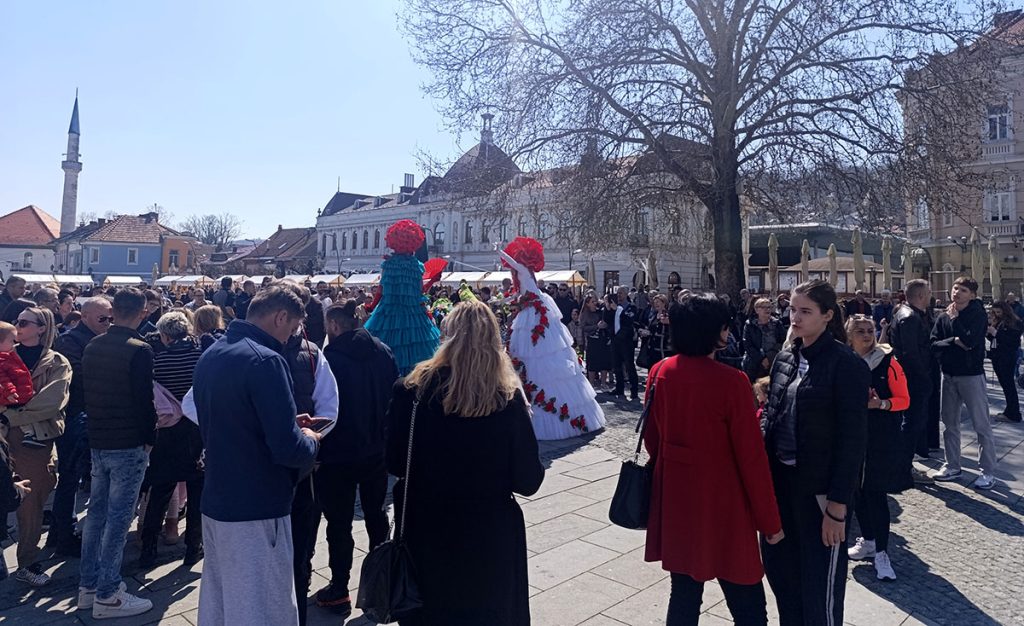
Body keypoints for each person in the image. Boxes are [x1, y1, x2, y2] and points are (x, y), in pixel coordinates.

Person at [385, 299, 545, 625]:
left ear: (446, 336)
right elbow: (529, 481)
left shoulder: (412, 392)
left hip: (426, 530)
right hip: (488, 536)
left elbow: (395, 463)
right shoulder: (506, 399)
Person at [644, 293, 783, 626]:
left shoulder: (659, 371)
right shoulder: (732, 382)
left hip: (676, 499)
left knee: (684, 595)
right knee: (748, 605)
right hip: (725, 504)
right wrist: (770, 522)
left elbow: (652, 439)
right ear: (714, 331)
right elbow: (751, 458)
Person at [193, 284, 322, 626]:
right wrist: (311, 440)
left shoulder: (213, 352)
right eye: (292, 328)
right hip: (258, 503)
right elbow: (288, 449)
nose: (291, 337)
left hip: (218, 499)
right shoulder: (266, 360)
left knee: (223, 602)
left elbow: (232, 418)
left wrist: (286, 423)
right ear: (280, 317)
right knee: (262, 607)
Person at [761, 280, 869, 626]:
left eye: (805, 311)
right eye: (793, 309)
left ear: (827, 315)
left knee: (819, 587)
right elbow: (772, 418)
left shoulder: (846, 364)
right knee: (783, 577)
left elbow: (853, 440)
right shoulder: (785, 357)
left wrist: (837, 506)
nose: (795, 317)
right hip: (782, 486)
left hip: (820, 492)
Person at [315, 300, 398, 619]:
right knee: (376, 514)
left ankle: (340, 589)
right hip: (375, 450)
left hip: (338, 454)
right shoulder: (383, 351)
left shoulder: (330, 359)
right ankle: (380, 583)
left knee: (339, 523)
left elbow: (323, 407)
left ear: (335, 326)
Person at [77, 289, 156, 618]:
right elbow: (144, 400)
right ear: (142, 313)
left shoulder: (93, 345)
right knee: (118, 518)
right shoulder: (139, 348)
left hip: (99, 438)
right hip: (127, 442)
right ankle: (108, 593)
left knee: (96, 514)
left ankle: (89, 585)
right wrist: (150, 438)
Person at [499, 238, 606, 437]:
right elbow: (519, 295)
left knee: (540, 351)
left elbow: (514, 265)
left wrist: (499, 251)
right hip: (528, 312)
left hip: (535, 314)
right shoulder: (523, 277)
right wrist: (503, 300)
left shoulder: (523, 270)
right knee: (527, 352)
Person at [4, 307, 70, 587]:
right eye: (16, 321)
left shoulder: (56, 362)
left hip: (34, 439)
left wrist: (10, 416)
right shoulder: (5, 353)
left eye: (24, 322)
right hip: (5, 436)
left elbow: (51, 402)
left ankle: (27, 562)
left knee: (31, 503)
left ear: (42, 328)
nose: (17, 326)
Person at [844, 315, 912, 581]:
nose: (866, 335)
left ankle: (882, 552)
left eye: (869, 330)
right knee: (857, 493)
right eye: (860, 331)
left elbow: (904, 400)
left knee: (876, 495)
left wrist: (881, 404)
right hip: (851, 436)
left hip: (880, 438)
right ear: (849, 335)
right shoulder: (845, 361)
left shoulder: (888, 362)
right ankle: (869, 540)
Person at [139, 311, 205, 569]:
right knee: (197, 490)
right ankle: (193, 548)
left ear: (165, 336)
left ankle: (148, 549)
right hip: (196, 429)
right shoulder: (200, 358)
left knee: (160, 491)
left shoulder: (159, 361)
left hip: (168, 431)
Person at [930, 277, 998, 489]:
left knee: (981, 424)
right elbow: (933, 343)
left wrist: (956, 323)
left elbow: (969, 342)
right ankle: (952, 466)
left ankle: (988, 472)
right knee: (949, 424)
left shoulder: (977, 315)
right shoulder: (943, 316)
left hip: (971, 375)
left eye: (963, 290)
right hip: (948, 374)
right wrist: (953, 341)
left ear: (972, 295)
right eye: (955, 288)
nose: (957, 292)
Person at [364, 220, 441, 374]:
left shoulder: (388, 265)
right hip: (414, 316)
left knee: (380, 349)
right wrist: (433, 280)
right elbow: (420, 291)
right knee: (418, 350)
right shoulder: (417, 266)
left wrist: (371, 306)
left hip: (388, 314)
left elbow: (381, 290)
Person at [887, 279, 935, 484]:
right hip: (913, 378)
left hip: (909, 376)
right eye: (929, 292)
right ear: (921, 295)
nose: (931, 296)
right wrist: (924, 376)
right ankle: (903, 468)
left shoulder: (906, 313)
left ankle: (903, 465)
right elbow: (910, 352)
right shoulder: (910, 317)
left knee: (912, 422)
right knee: (912, 423)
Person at [987, 301, 1022, 423]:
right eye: (995, 312)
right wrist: (990, 333)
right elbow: (994, 339)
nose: (997, 314)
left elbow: (1012, 341)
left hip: (1007, 356)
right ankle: (1010, 410)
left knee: (1008, 385)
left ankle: (1014, 413)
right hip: (997, 355)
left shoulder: (1014, 322)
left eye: (999, 312)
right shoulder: (998, 321)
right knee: (1006, 385)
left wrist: (995, 333)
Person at [741, 298, 786, 382]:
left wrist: (769, 357)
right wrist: (761, 359)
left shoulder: (777, 324)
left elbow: (783, 341)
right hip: (754, 364)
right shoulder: (750, 325)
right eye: (764, 307)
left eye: (769, 307)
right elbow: (747, 345)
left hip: (773, 362)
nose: (767, 309)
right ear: (756, 310)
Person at [610, 285, 641, 399]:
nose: (619, 295)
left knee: (629, 365)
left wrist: (618, 310)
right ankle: (619, 388)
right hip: (615, 340)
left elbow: (629, 320)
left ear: (626, 294)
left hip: (626, 341)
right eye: (618, 293)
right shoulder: (614, 306)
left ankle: (634, 390)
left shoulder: (631, 307)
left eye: (621, 293)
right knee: (617, 365)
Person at [639, 293, 672, 367]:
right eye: (654, 302)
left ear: (664, 303)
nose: (656, 304)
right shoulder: (654, 315)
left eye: (658, 302)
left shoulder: (668, 315)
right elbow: (652, 329)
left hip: (664, 349)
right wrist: (645, 332)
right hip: (652, 348)